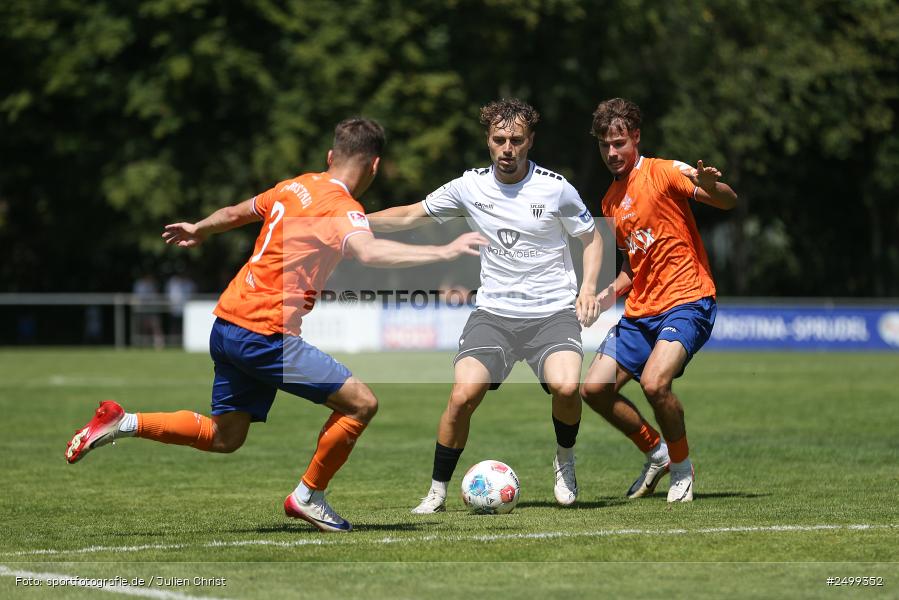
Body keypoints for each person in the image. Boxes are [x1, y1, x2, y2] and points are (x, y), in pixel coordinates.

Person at [64, 118, 486, 533]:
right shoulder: (340, 207)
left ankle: (124, 421)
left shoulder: (293, 186)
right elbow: (369, 253)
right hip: (265, 334)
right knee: (361, 404)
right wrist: (446, 250)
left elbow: (234, 212)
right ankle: (308, 497)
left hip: (228, 323)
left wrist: (199, 229)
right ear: (374, 166)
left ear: (329, 155)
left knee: (225, 436)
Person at [368, 98, 603, 513]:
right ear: (488, 141)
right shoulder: (468, 186)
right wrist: (354, 220)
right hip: (494, 315)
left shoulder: (556, 187)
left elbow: (592, 237)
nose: (507, 148)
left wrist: (587, 289)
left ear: (530, 141)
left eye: (515, 139)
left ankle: (564, 460)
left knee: (567, 387)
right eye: (499, 140)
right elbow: (410, 216)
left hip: (552, 314)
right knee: (462, 396)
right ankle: (437, 491)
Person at [579, 98, 737, 503]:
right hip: (641, 312)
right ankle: (657, 452)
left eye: (618, 143)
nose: (611, 153)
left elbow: (728, 200)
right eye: (604, 145)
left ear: (635, 137)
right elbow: (635, 267)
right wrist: (606, 293)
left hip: (688, 300)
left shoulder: (665, 172)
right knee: (593, 389)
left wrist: (709, 184)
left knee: (654, 383)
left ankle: (682, 468)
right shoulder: (610, 201)